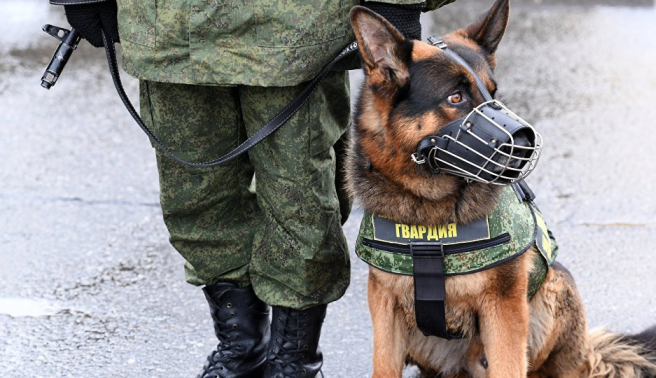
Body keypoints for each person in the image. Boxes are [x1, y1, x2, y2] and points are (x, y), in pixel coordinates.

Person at [49, 0, 452, 377]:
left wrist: (397, 1)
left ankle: (294, 359)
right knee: (195, 197)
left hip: (293, 32)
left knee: (300, 201)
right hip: (169, 30)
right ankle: (241, 348)